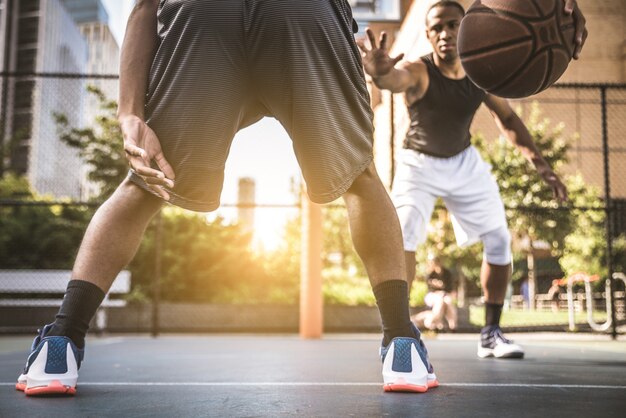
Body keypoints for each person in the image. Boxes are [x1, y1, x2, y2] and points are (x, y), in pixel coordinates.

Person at [15, 0, 437, 396]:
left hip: (204, 15)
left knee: (146, 180)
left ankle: (62, 343)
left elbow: (145, 6)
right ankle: (401, 342)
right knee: (361, 178)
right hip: (301, 15)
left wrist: (130, 113)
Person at [358, 0, 586, 359]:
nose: (445, 33)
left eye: (452, 25)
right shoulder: (419, 70)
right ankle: (399, 330)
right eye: (437, 28)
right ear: (429, 35)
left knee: (498, 239)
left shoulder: (482, 73)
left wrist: (543, 168)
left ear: (465, 29)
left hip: (464, 162)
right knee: (403, 234)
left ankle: (491, 334)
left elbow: (509, 120)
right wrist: (379, 74)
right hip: (418, 164)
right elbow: (394, 79)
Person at [412, 255, 457, 331]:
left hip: (445, 295)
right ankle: (433, 322)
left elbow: (450, 288)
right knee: (440, 301)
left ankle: (452, 325)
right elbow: (430, 288)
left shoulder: (447, 273)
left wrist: (443, 291)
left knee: (447, 301)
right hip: (433, 296)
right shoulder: (430, 274)